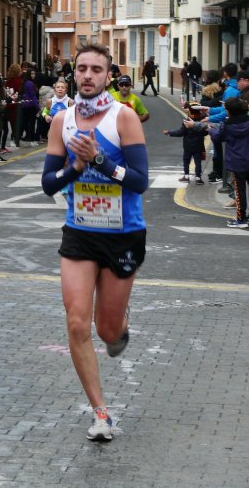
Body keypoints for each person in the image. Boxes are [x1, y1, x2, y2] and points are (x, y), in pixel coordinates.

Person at [41, 43, 148, 441]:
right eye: (81, 68)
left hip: (123, 234)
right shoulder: (61, 122)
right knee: (75, 321)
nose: (87, 75)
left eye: (96, 69)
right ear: (74, 73)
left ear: (107, 75)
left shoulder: (125, 118)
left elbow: (140, 180)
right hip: (80, 233)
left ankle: (119, 326)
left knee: (106, 331)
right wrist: (76, 167)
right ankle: (100, 413)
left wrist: (100, 160)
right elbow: (48, 184)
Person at [210, 97, 249, 228]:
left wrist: (211, 130)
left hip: (237, 163)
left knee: (240, 191)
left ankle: (241, 218)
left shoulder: (226, 126)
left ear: (229, 111)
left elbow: (217, 137)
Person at [163, 102, 208, 185]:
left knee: (186, 160)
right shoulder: (203, 120)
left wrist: (169, 132)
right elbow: (206, 133)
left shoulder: (187, 121)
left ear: (190, 111)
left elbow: (181, 132)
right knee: (198, 162)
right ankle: (198, 178)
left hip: (188, 145)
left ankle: (186, 176)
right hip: (199, 144)